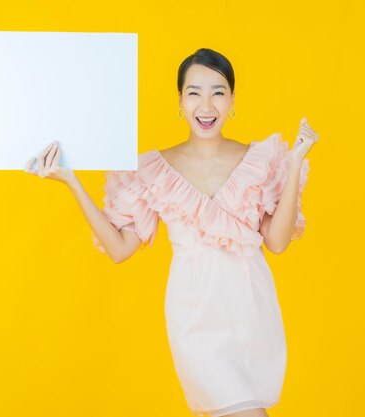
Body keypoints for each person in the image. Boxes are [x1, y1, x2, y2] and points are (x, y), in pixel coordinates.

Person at [25, 48, 320, 417]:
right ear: (180, 100)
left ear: (232, 100)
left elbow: (276, 241)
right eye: (194, 92)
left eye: (218, 91)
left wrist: (294, 165)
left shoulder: (259, 160)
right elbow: (119, 249)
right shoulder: (155, 168)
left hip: (251, 314)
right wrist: (71, 181)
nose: (206, 104)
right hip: (195, 317)